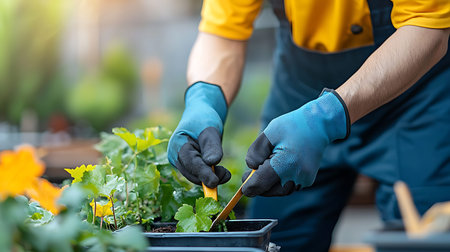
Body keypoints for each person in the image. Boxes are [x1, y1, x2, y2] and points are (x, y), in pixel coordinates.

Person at [167, 0, 450, 251]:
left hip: (414, 95)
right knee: (275, 238)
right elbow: (223, 32)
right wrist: (204, 99)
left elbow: (428, 24)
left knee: (423, 235)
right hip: (299, 98)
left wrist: (326, 117)